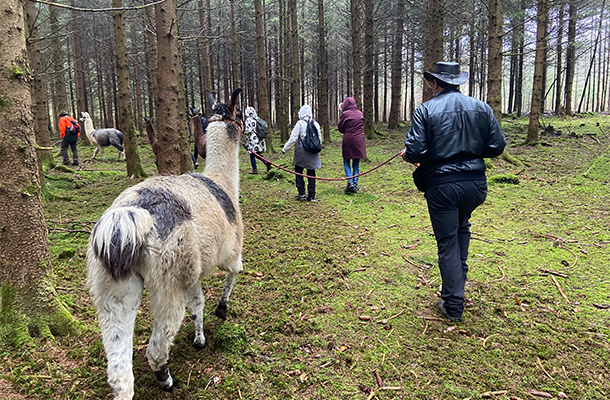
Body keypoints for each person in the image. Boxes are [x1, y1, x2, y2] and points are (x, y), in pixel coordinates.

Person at [402, 61, 506, 323]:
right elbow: (496, 146)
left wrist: (412, 156)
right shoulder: (482, 108)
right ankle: (458, 282)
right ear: (456, 82)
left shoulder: (426, 110)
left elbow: (415, 150)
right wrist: (470, 153)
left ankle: (453, 304)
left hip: (442, 185)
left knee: (448, 240)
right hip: (474, 184)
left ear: (436, 83)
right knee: (461, 228)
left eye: (431, 83)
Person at [281, 105, 322, 202]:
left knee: (298, 170)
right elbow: (319, 139)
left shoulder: (300, 123)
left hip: (302, 150)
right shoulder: (316, 123)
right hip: (313, 151)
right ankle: (312, 195)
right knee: (311, 172)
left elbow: (293, 138)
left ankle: (301, 193)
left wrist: (285, 149)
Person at [338, 97, 366, 193]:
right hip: (359, 140)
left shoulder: (345, 114)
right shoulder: (360, 113)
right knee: (356, 163)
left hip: (349, 139)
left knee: (346, 161)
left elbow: (340, 128)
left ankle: (350, 182)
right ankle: (355, 185)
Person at [243, 106, 271, 174]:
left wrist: (243, 131)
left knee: (252, 154)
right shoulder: (257, 118)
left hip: (253, 140)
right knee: (256, 154)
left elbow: (248, 130)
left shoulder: (248, 120)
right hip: (259, 138)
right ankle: (265, 162)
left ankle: (255, 169)